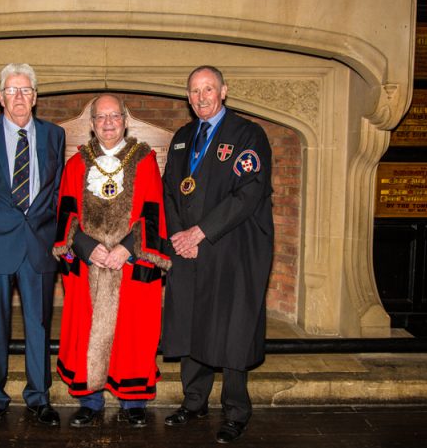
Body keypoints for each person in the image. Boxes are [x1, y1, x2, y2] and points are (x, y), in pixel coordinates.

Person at [162, 66, 273, 444]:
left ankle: (236, 411)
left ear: (223, 91)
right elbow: (169, 190)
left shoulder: (247, 135)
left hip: (231, 250)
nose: (201, 97)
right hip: (189, 250)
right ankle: (194, 401)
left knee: (232, 328)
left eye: (208, 89)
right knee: (193, 321)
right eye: (194, 91)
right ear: (187, 97)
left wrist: (200, 232)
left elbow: (248, 193)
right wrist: (180, 236)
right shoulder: (182, 138)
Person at [53, 94, 170, 428]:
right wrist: (87, 247)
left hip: (130, 264)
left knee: (133, 332)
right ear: (92, 124)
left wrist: (127, 249)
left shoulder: (144, 161)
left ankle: (133, 401)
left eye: (114, 116)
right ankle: (90, 400)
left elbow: (154, 212)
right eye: (101, 117)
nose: (108, 123)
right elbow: (65, 214)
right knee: (86, 330)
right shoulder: (76, 164)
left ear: (125, 121)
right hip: (89, 265)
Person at [0, 63, 65, 432]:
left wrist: (52, 234)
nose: (19, 97)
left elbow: (57, 191)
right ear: (0, 97)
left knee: (38, 325)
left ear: (35, 97)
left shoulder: (54, 135)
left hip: (39, 246)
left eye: (26, 90)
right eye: (12, 90)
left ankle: (39, 397)